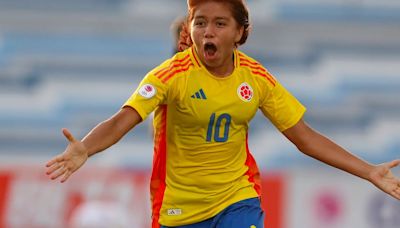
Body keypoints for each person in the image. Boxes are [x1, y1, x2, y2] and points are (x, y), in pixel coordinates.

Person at [46, 0, 400, 227]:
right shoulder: (170, 75)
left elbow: (304, 137)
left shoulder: (256, 78)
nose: (207, 32)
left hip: (236, 198)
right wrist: (86, 148)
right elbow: (122, 120)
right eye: (200, 23)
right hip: (179, 208)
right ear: (190, 29)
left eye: (219, 23)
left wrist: (368, 170)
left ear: (240, 32)